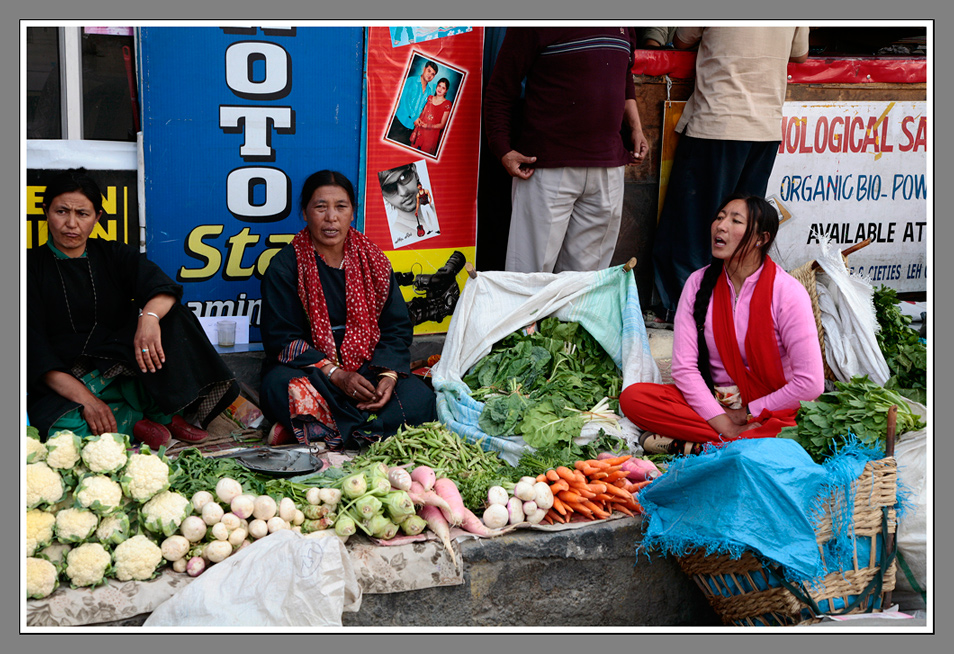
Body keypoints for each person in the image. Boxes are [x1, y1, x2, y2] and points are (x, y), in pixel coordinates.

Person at [27, 168, 239, 446]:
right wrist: (89, 401)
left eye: (83, 214)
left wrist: (148, 318)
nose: (71, 224)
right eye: (61, 211)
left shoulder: (113, 254)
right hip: (64, 376)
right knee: (65, 432)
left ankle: (163, 412)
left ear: (97, 218)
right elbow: (34, 350)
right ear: (45, 211)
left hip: (120, 363)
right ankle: (144, 418)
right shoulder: (28, 267)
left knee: (172, 315)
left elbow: (164, 289)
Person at [620, 195, 824, 455]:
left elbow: (810, 384)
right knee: (635, 399)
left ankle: (696, 444)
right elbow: (684, 369)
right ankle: (738, 442)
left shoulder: (787, 292)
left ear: (761, 238)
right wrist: (725, 423)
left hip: (773, 409)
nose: (721, 226)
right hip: (717, 407)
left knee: (800, 430)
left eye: (735, 221)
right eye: (719, 217)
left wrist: (748, 412)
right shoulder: (697, 283)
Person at [258, 170, 437, 450]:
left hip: (368, 368)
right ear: (305, 213)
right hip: (315, 372)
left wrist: (388, 376)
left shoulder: (374, 261)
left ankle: (318, 428)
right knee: (281, 389)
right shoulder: (285, 266)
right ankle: (369, 427)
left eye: (341, 207)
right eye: (320, 207)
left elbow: (396, 327)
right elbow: (282, 339)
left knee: (420, 398)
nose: (331, 217)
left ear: (353, 212)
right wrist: (336, 375)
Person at [649, 26, 810, 325]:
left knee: (697, 224)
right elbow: (800, 54)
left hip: (717, 124)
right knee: (741, 227)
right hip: (764, 129)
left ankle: (685, 310)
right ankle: (728, 309)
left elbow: (683, 40)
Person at [483, 27, 649, 274]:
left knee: (584, 285)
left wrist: (636, 128)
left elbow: (624, 75)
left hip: (607, 168)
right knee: (529, 278)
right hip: (546, 167)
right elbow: (501, 88)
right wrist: (502, 149)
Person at [378, 163, 439, 246]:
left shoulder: (438, 212)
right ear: (382, 195)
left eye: (404, 177)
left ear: (415, 171)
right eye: (389, 188)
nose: (403, 192)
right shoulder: (395, 233)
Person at [387, 59, 439, 146]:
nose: (430, 75)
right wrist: (415, 117)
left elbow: (425, 109)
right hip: (399, 123)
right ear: (424, 69)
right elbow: (404, 101)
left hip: (411, 129)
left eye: (433, 74)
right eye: (429, 71)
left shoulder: (429, 91)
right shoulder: (411, 81)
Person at [411, 77, 453, 156]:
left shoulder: (447, 104)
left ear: (446, 91)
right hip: (420, 131)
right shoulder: (430, 98)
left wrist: (428, 125)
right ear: (436, 86)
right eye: (439, 86)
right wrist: (418, 120)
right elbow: (422, 113)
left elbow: (442, 125)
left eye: (443, 88)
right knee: (411, 154)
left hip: (431, 136)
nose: (440, 89)